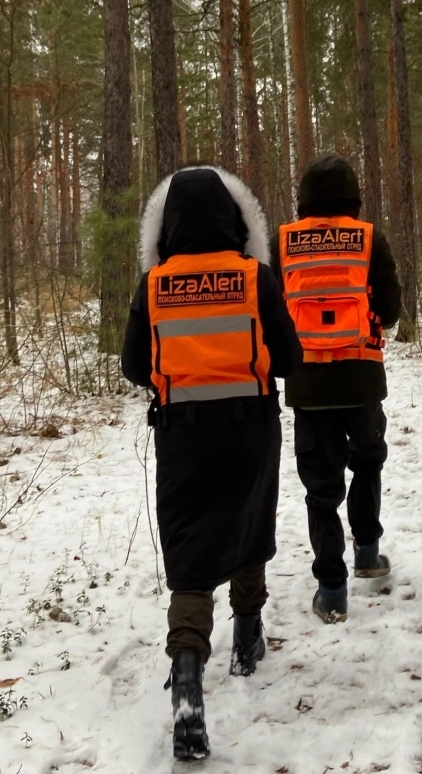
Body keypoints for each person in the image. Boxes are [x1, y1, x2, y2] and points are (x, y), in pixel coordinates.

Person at [121, 166, 301, 760]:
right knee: (250, 524)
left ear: (166, 225)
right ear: (235, 219)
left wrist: (176, 380)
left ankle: (190, 676)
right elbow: (290, 359)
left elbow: (130, 365)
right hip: (250, 426)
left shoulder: (152, 285)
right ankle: (247, 636)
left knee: (191, 557)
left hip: (181, 435)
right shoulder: (256, 277)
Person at [270, 154, 402, 625]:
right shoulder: (369, 239)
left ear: (303, 199)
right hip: (362, 375)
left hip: (307, 381)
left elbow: (270, 314)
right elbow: (389, 311)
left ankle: (331, 591)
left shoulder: (282, 242)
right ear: (353, 196)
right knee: (367, 461)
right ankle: (367, 551)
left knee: (321, 489)